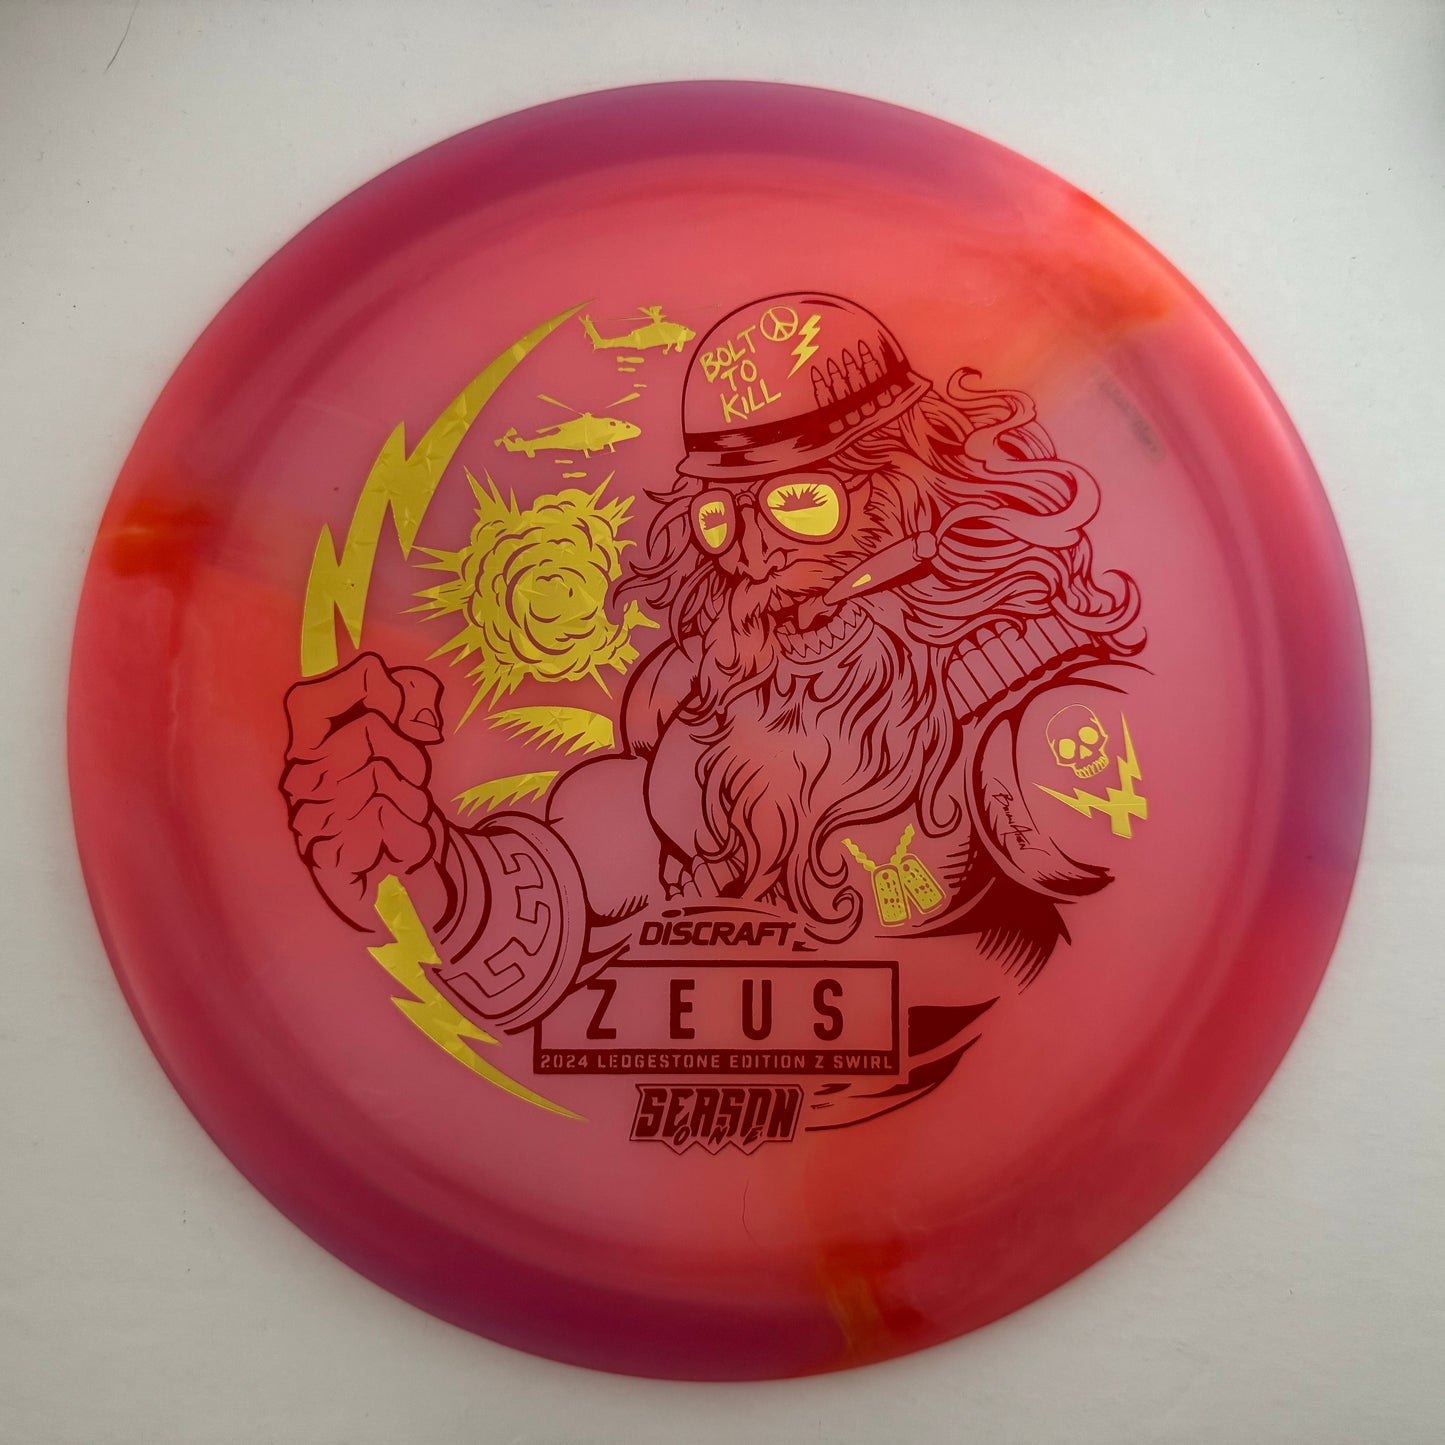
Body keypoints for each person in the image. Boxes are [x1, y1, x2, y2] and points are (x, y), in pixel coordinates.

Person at [281, 293, 1142, 1032]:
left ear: (911, 489)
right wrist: (418, 867)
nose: (753, 557)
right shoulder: (700, 737)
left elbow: (1124, 977)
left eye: (800, 501)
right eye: (723, 518)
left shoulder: (1038, 714)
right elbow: (554, 892)